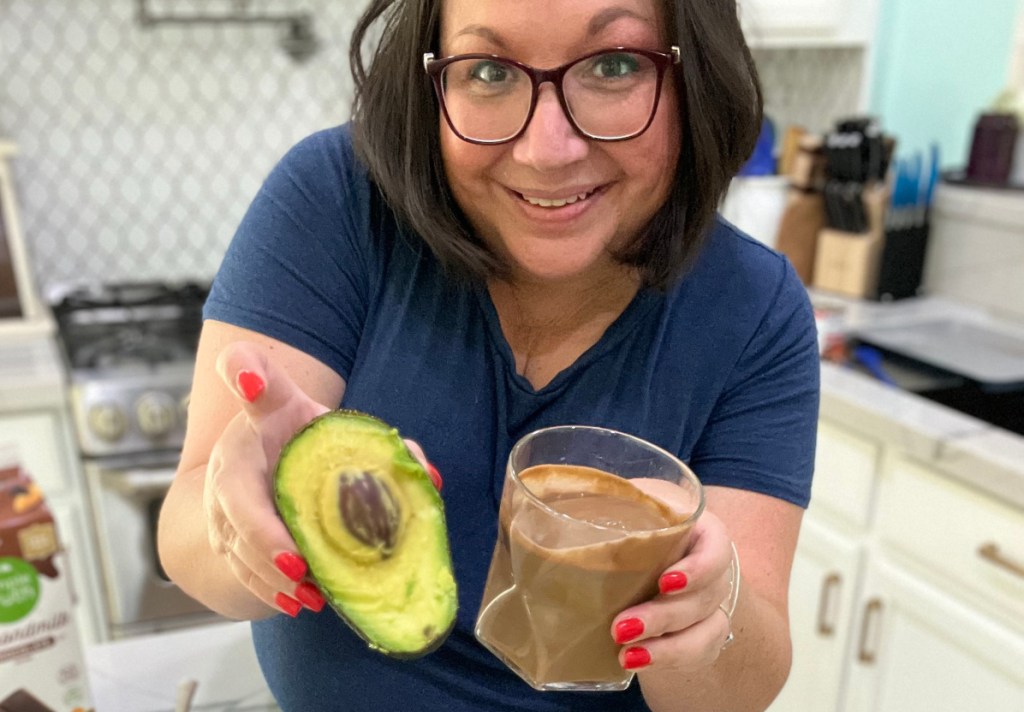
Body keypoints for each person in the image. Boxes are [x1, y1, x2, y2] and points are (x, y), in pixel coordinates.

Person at [158, 0, 820, 709]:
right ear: (430, 81)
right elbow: (190, 540)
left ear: (697, 74)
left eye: (614, 65)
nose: (547, 149)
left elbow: (738, 691)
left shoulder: (755, 309)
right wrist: (246, 523)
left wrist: (707, 614)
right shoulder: (337, 200)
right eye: (488, 71)